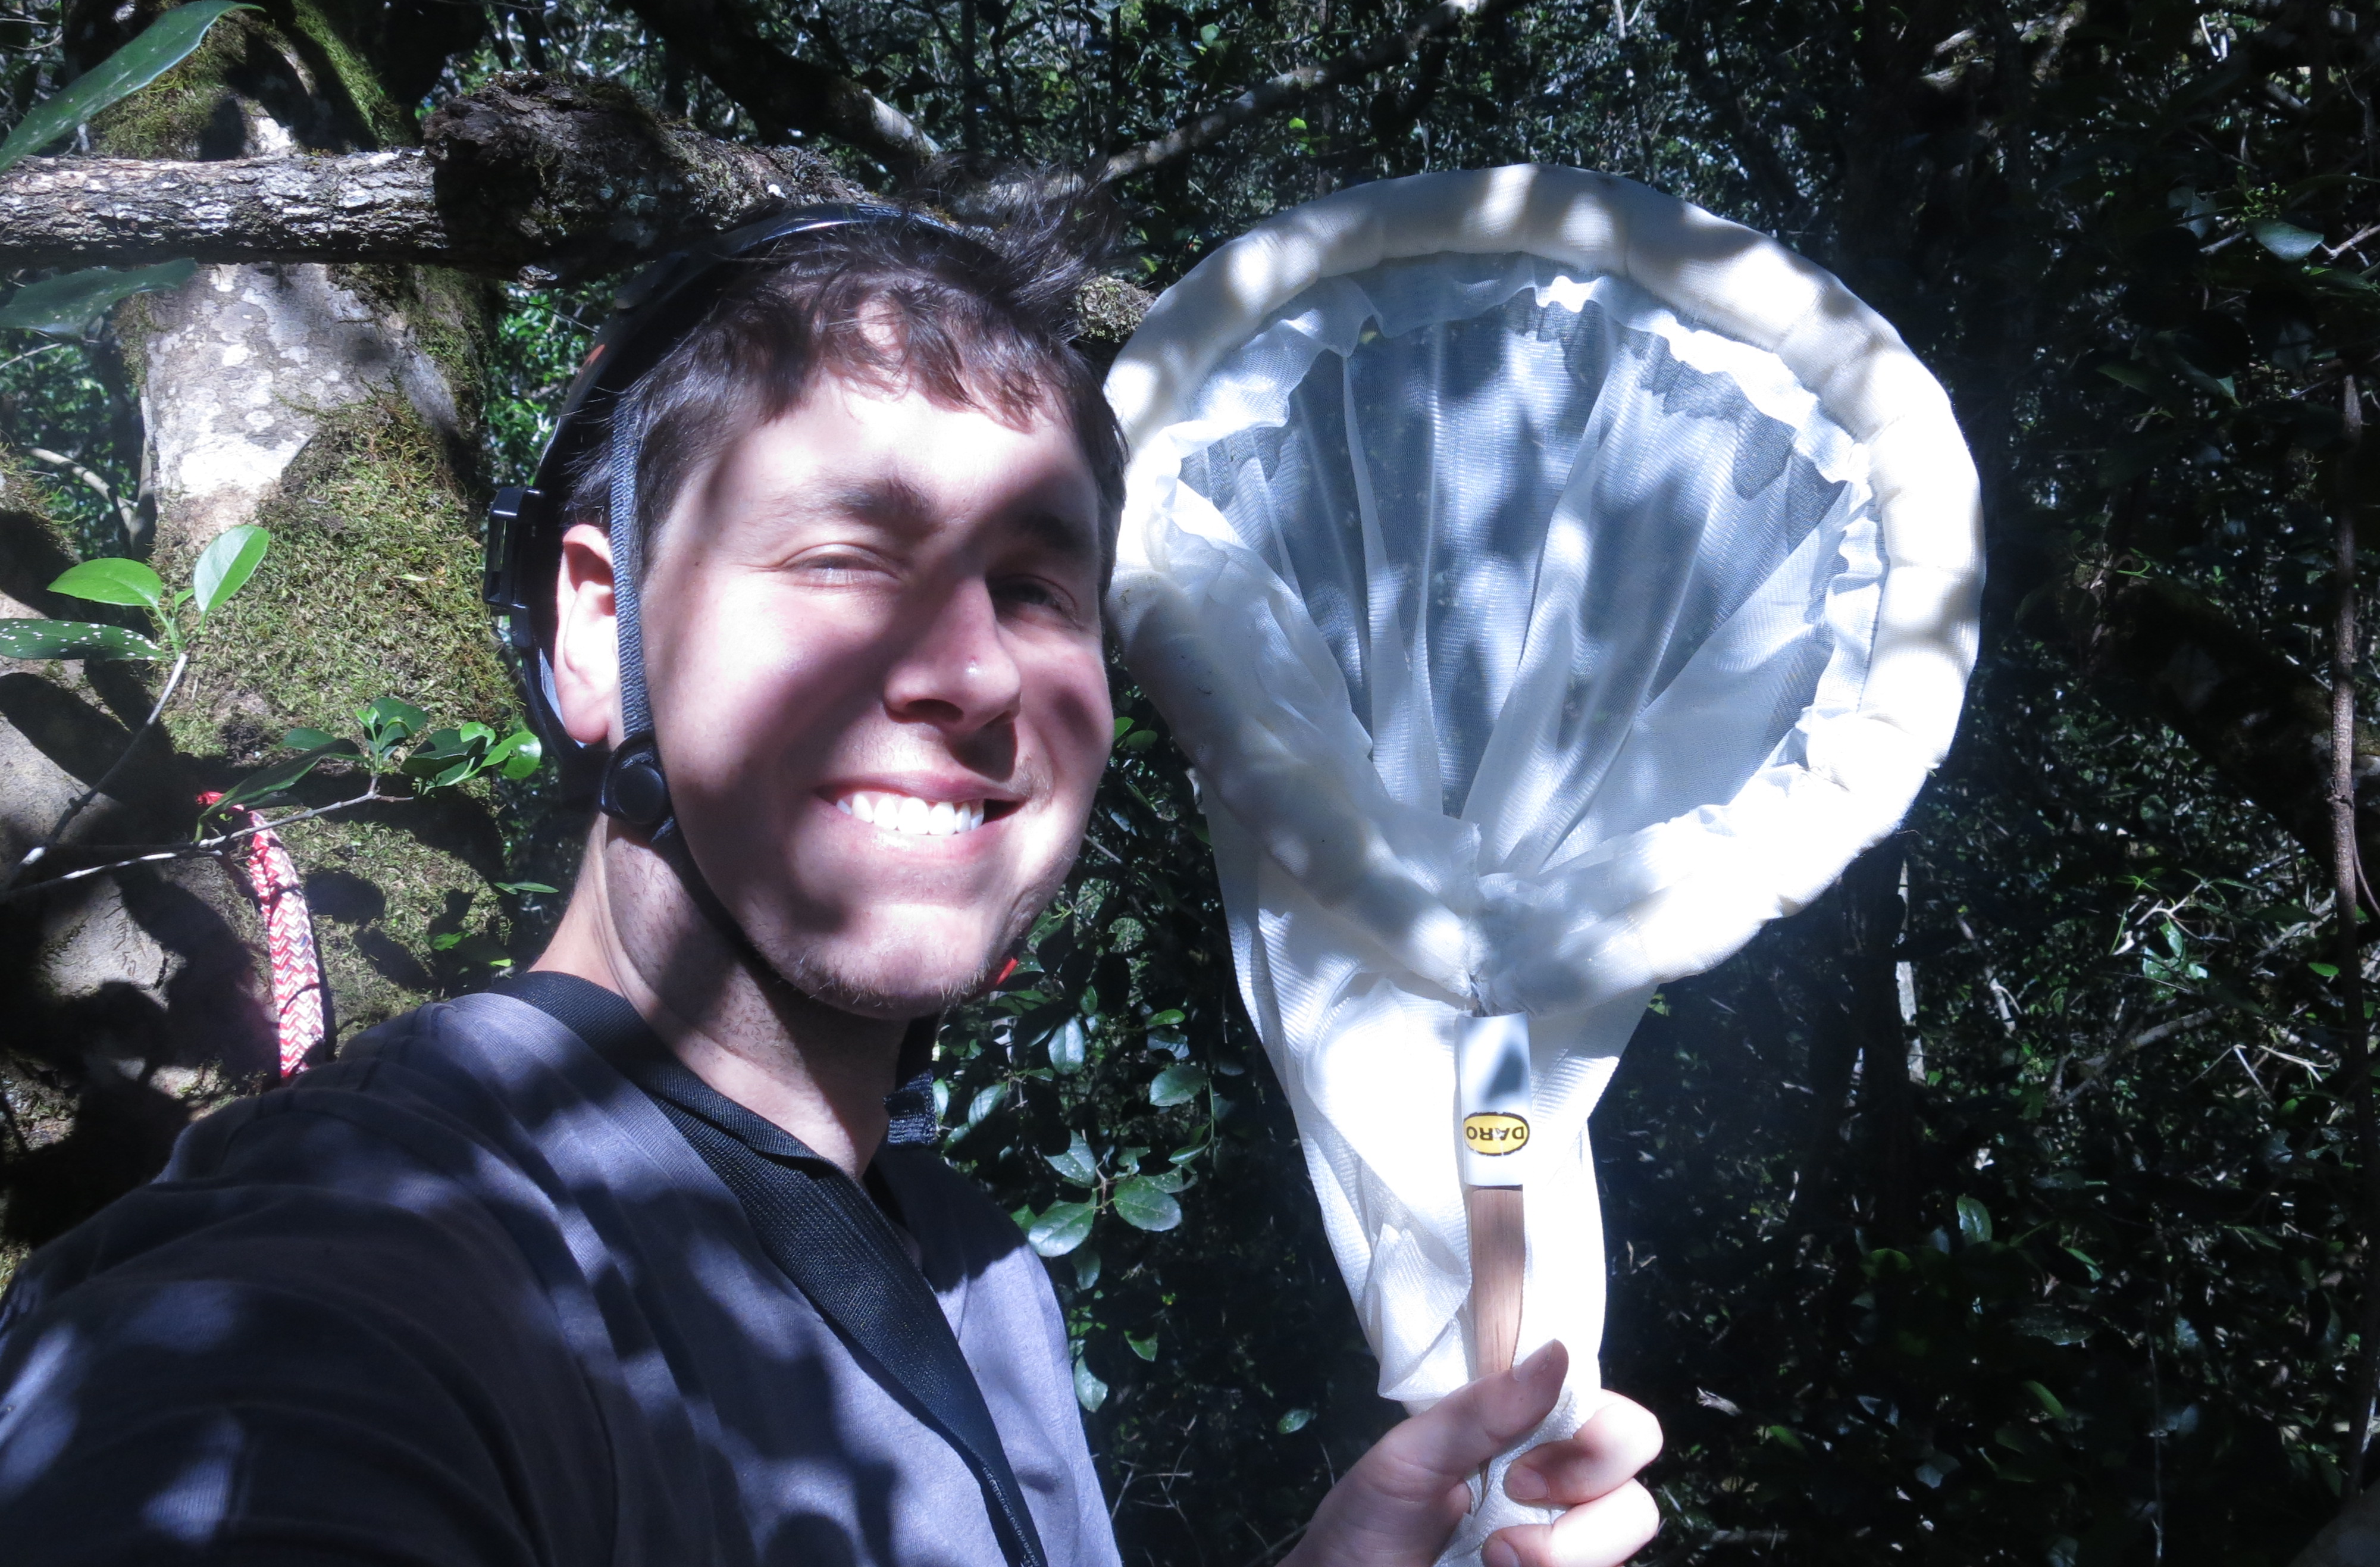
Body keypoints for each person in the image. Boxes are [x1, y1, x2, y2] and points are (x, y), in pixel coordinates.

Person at [0, 196, 1662, 1567]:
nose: (973, 673)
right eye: (846, 558)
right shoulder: (360, 1279)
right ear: (600, 627)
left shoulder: (978, 1270)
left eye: (1034, 586)